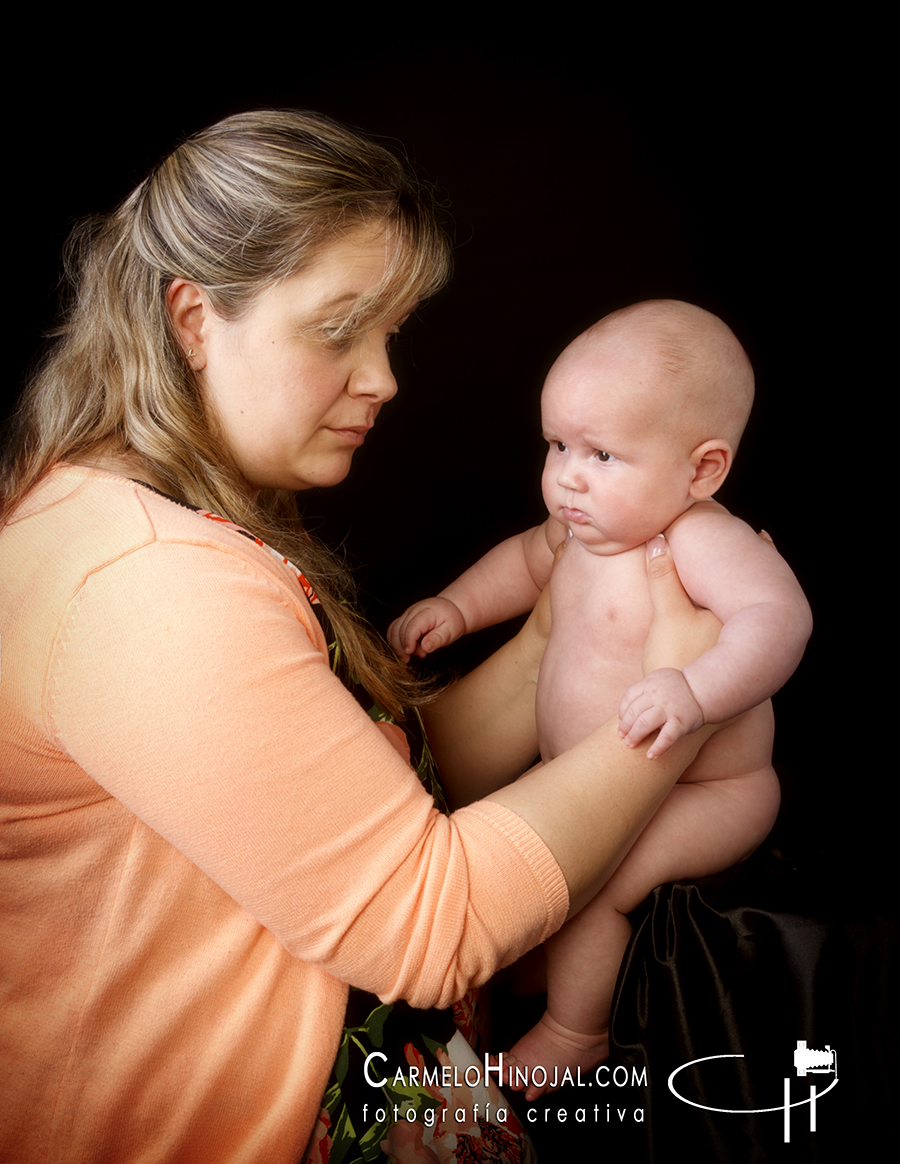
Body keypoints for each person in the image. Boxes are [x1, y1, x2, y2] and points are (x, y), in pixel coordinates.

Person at [1, 115, 725, 1164]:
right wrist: (694, 692)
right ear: (194, 320)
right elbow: (434, 919)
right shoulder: (147, 583)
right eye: (338, 329)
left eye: (387, 333)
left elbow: (373, 804)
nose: (384, 378)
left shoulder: (144, 522)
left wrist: (562, 625)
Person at [389, 300, 812, 1098]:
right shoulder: (579, 531)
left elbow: (780, 620)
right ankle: (539, 967)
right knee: (540, 845)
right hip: (585, 773)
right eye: (557, 446)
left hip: (710, 791)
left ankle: (573, 1034)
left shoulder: (698, 540)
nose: (568, 477)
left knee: (599, 878)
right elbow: (518, 565)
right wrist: (455, 608)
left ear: (703, 469)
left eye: (605, 455)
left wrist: (695, 687)